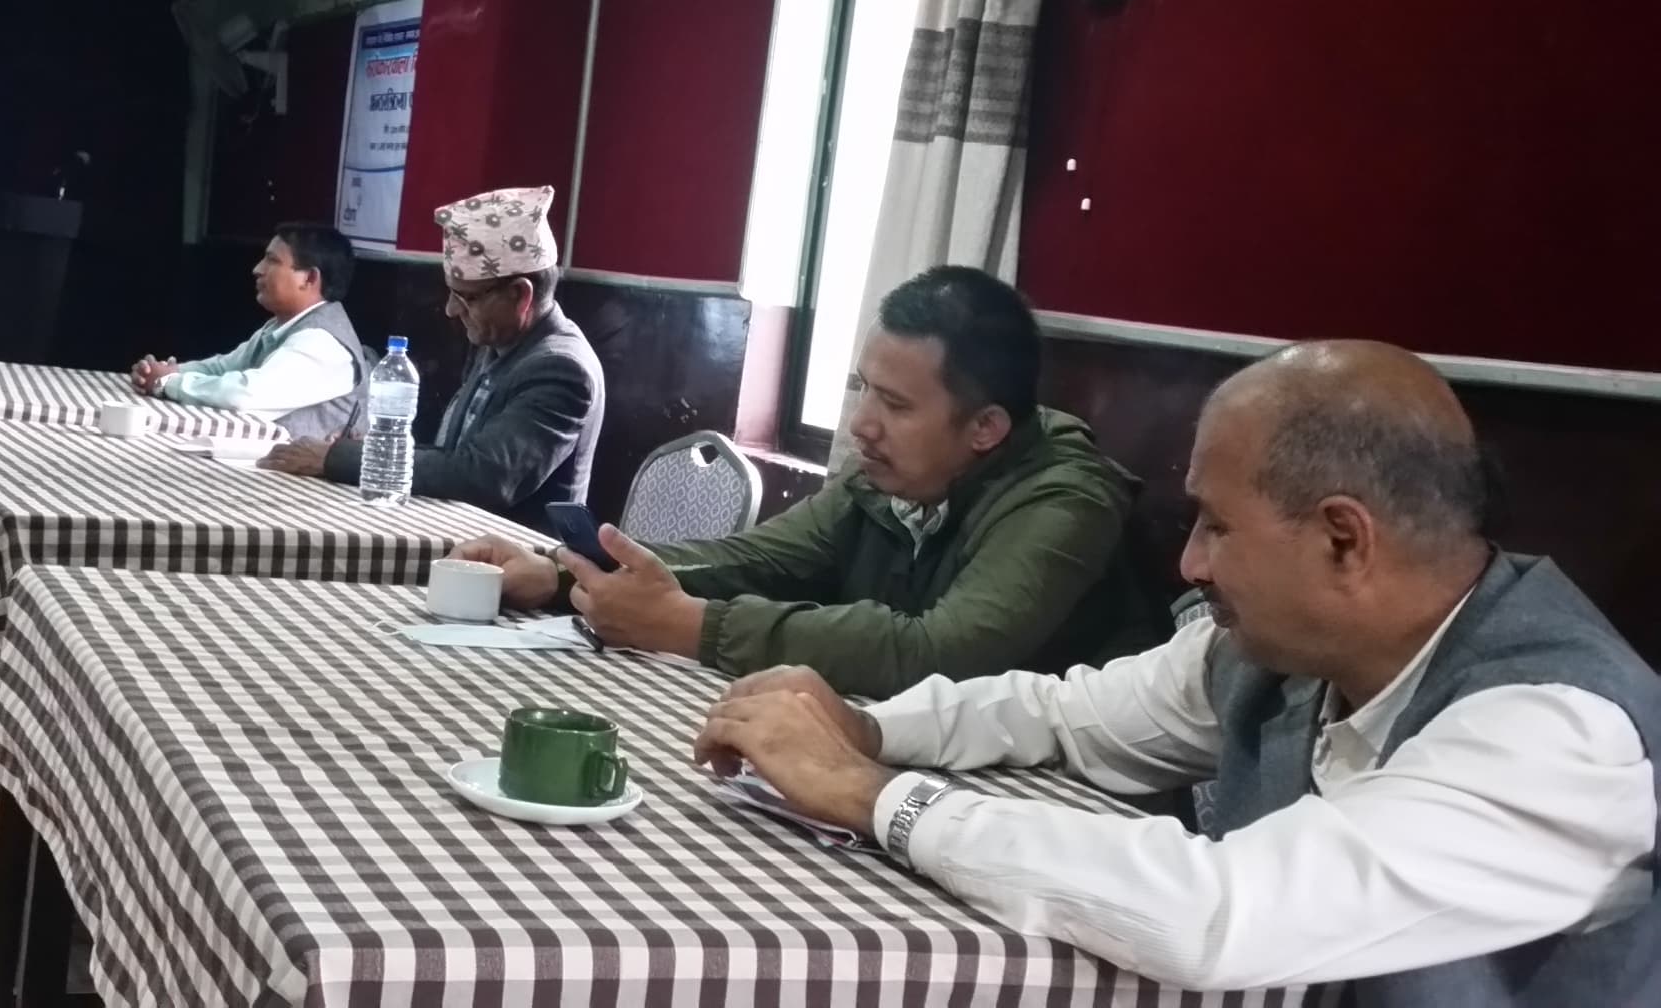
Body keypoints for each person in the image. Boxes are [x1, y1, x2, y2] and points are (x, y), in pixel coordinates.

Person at [692, 340, 1660, 1002]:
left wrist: (874, 796)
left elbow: (1219, 914)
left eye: (1216, 525)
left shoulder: (1559, 736)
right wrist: (868, 727)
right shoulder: (1274, 652)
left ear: (1342, 540)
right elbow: (1065, 714)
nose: (1189, 562)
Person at [456, 265, 1153, 700]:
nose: (863, 425)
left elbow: (940, 652)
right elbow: (756, 558)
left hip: (1057, 798)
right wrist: (564, 572)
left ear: (986, 428)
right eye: (862, 389)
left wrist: (695, 627)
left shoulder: (1067, 500)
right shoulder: (888, 476)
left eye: (896, 405)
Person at [261, 186, 604, 530]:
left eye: (466, 297)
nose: (452, 309)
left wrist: (340, 459)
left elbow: (484, 477)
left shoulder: (561, 368)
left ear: (519, 295)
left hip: (520, 554)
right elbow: (455, 455)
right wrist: (369, 449)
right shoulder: (500, 342)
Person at [132, 223, 367, 440]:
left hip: (296, 471)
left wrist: (168, 382)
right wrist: (169, 371)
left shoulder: (323, 343)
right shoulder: (281, 325)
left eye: (272, 261)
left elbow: (245, 395)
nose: (257, 269)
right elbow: (224, 367)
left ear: (310, 278)